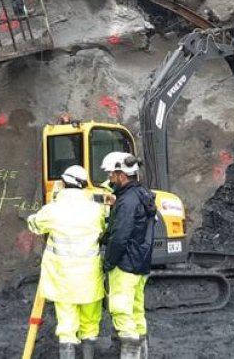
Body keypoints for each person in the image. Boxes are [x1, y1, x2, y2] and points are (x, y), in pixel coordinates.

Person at [27, 165, 106, 359]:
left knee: (67, 328)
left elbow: (34, 224)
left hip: (63, 281)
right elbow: (103, 228)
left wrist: (52, 200)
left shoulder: (53, 210)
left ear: (62, 183)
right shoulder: (96, 210)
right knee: (90, 325)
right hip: (90, 279)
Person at [99, 152, 156, 359]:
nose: (109, 179)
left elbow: (121, 237)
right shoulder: (142, 194)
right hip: (141, 262)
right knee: (136, 311)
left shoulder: (128, 201)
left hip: (125, 264)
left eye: (111, 175)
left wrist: (108, 262)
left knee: (121, 312)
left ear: (121, 174)